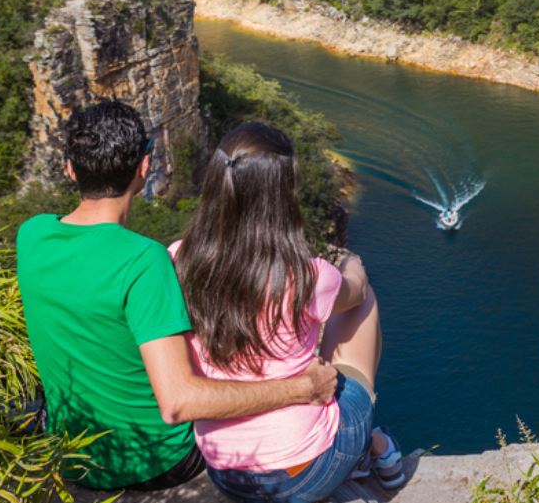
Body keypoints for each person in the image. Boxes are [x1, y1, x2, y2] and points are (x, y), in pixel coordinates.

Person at [16, 100, 338, 491]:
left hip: (71, 456)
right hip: (156, 461)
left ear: (70, 167)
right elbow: (178, 401)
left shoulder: (31, 235)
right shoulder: (143, 261)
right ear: (144, 168)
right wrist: (303, 388)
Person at [170, 122, 406, 503]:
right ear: (282, 195)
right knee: (362, 301)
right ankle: (374, 448)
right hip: (306, 471)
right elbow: (356, 288)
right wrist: (349, 261)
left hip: (225, 473)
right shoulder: (304, 275)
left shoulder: (178, 261)